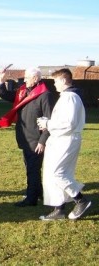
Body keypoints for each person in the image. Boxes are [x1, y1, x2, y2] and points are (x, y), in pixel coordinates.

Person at [0, 67, 55, 207]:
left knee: (32, 168)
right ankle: (39, 193)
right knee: (31, 167)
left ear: (35, 78)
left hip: (36, 139)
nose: (24, 80)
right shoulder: (23, 91)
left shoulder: (44, 95)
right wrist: (1, 79)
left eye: (26, 78)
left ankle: (31, 199)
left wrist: (42, 141)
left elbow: (49, 120)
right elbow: (6, 95)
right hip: (25, 137)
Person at [37, 68, 91, 220]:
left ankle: (81, 200)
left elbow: (69, 123)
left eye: (55, 81)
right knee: (53, 174)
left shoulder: (70, 98)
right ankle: (59, 209)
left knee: (58, 173)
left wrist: (47, 123)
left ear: (62, 80)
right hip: (60, 139)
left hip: (66, 139)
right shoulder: (66, 97)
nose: (54, 84)